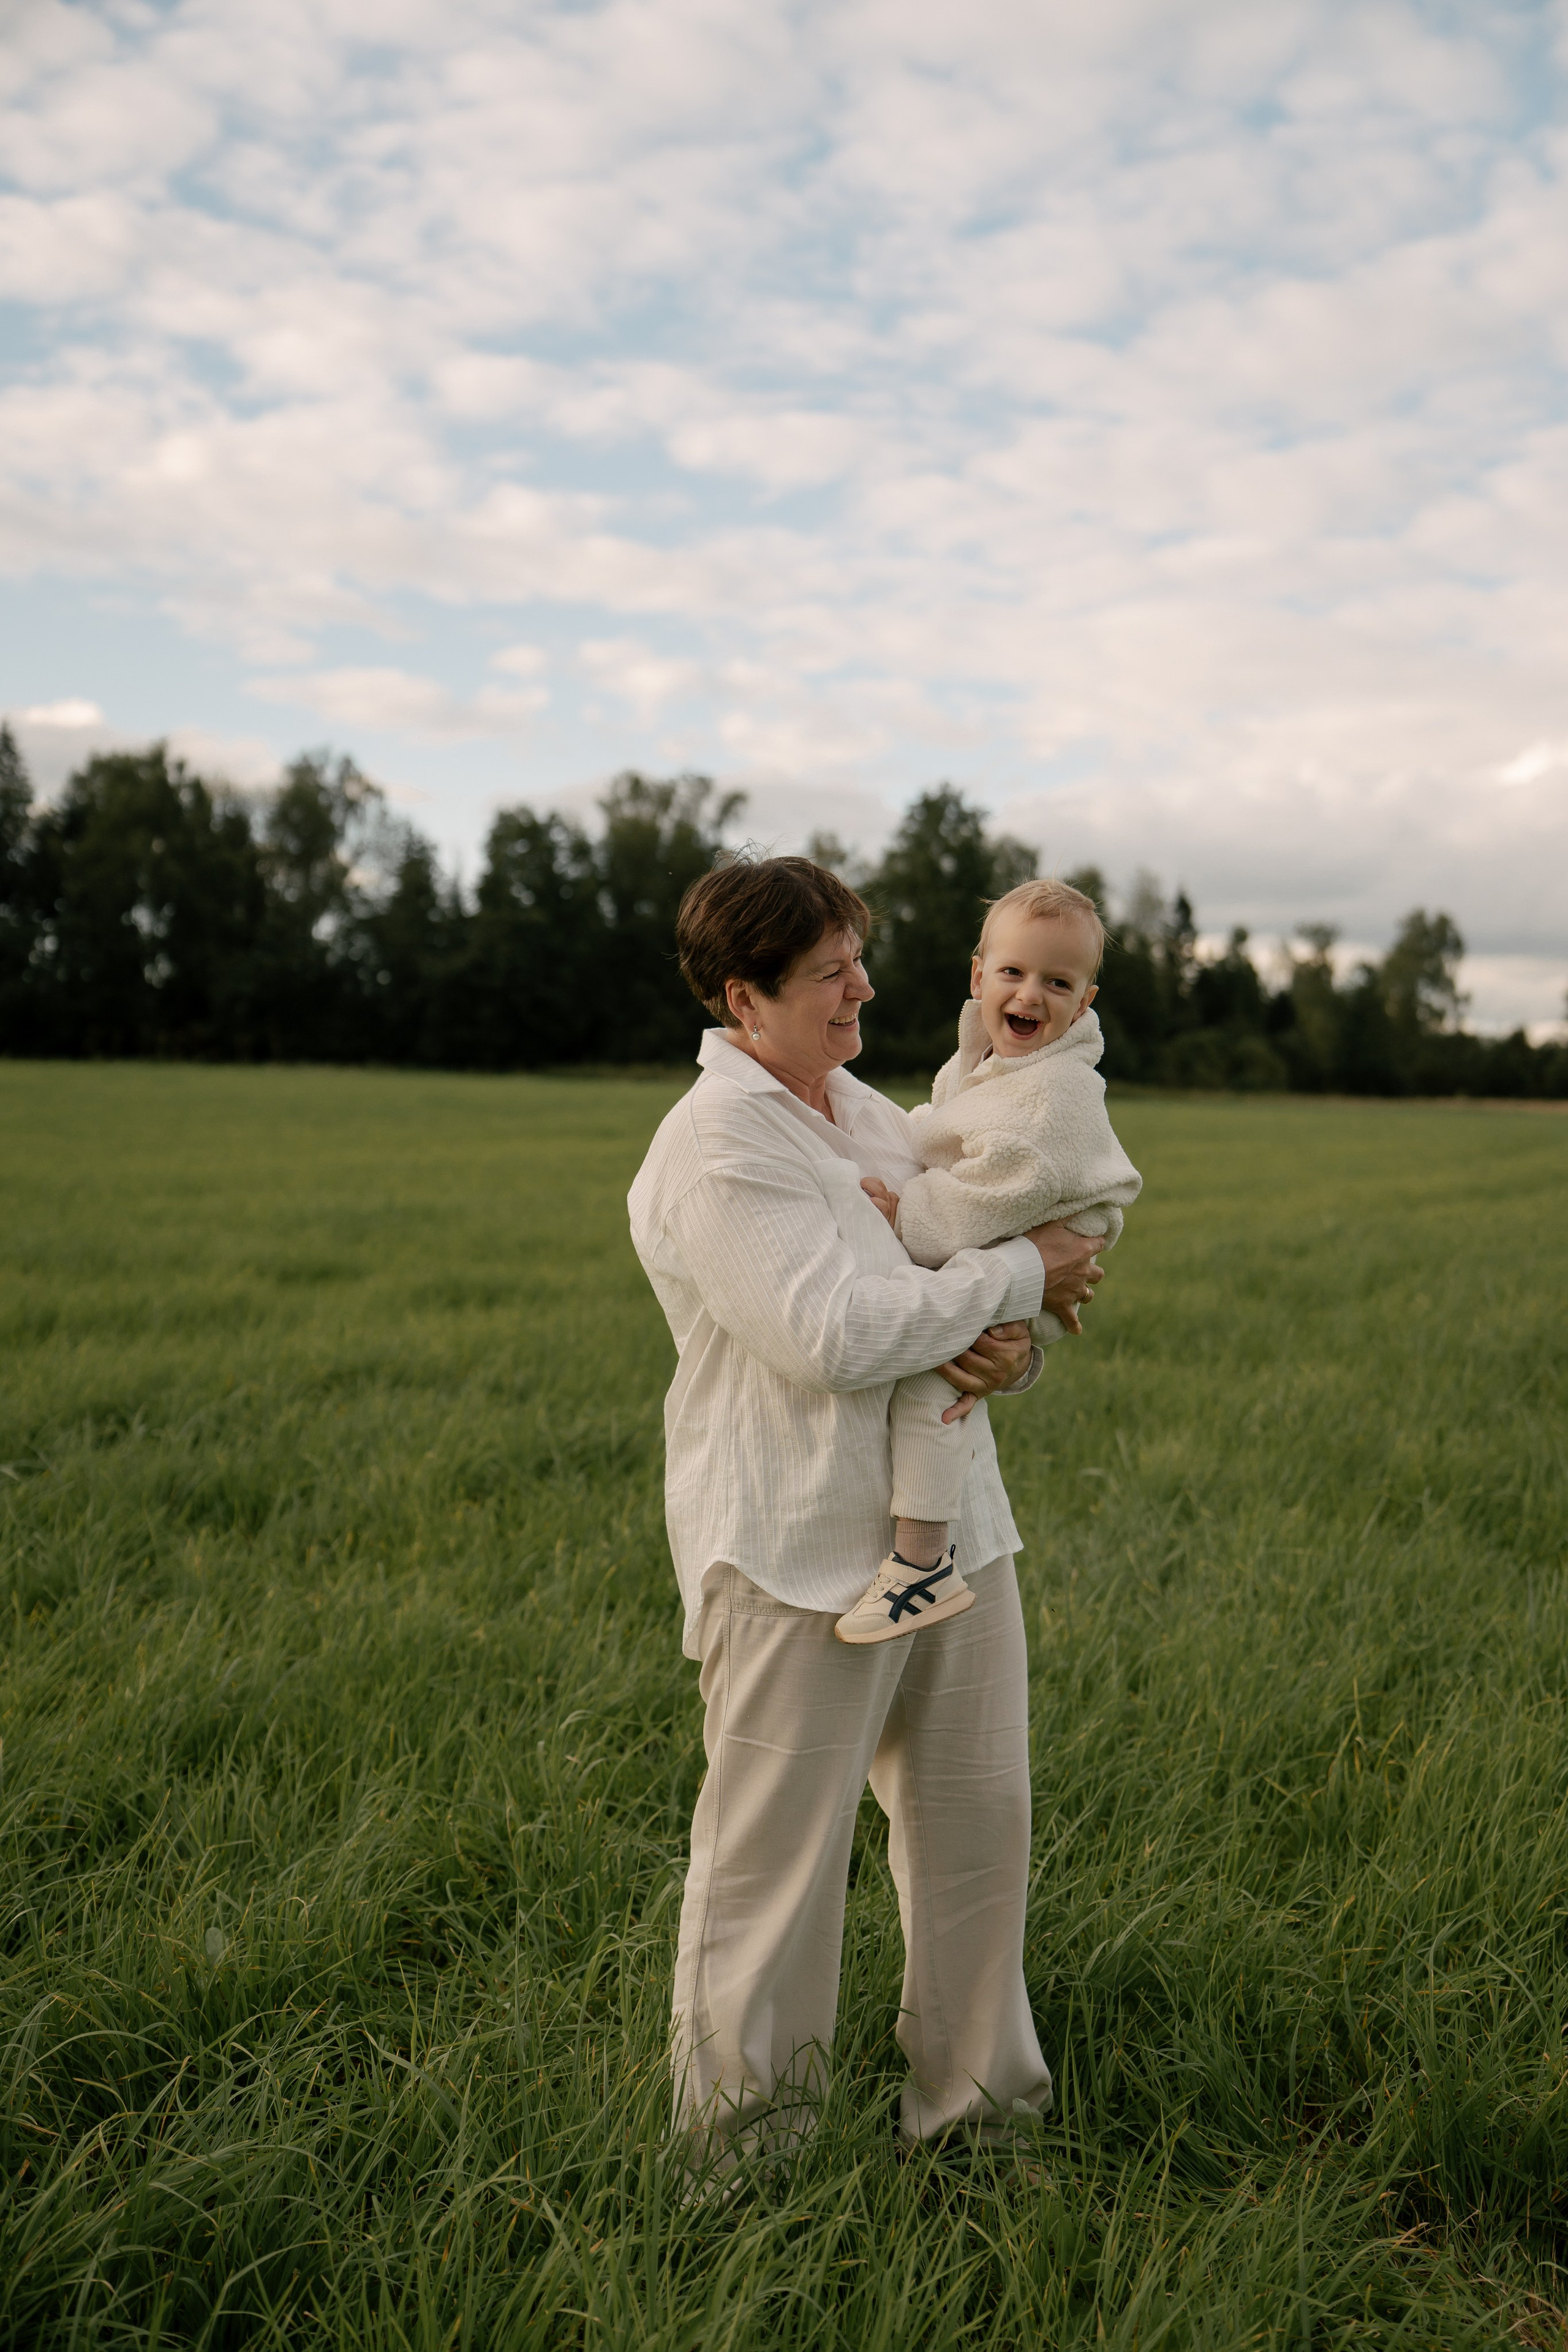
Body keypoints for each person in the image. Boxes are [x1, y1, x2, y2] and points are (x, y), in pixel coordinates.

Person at [626, 853, 1104, 2172]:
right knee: (772, 1877)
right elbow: (836, 1336)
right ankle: (740, 2169)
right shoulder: (717, 1145)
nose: (863, 990)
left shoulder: (869, 1114)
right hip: (791, 1552)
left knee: (976, 1841)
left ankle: (979, 2127)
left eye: (859, 961)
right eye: (830, 973)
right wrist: (1023, 1274)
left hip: (955, 1537)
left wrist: (1017, 1341)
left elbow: (962, 1296)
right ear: (744, 996)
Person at [835, 878, 1141, 1645]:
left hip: (1047, 1237)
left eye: (1057, 983)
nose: (1030, 993)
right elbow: (952, 1134)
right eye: (1013, 972)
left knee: (932, 1381)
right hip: (1017, 1242)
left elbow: (1000, 1191)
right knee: (947, 1360)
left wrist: (908, 1216)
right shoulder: (984, 1058)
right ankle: (924, 1553)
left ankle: (922, 1563)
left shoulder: (1052, 1090)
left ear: (1085, 1002)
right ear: (978, 976)